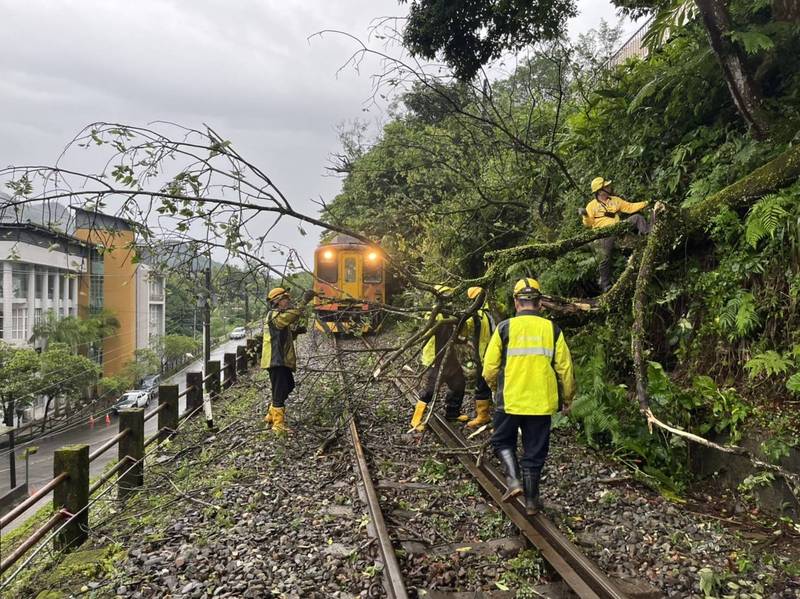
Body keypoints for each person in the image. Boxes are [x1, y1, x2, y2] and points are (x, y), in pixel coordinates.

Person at [482, 278, 575, 515]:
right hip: (541, 403)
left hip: (510, 400)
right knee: (535, 452)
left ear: (516, 302)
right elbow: (565, 369)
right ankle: (532, 501)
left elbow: (489, 368)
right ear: (540, 303)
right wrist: (567, 398)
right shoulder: (552, 330)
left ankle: (513, 481)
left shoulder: (504, 328)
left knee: (502, 441)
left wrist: (494, 388)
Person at [410, 285, 467, 431]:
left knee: (459, 384)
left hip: (450, 358)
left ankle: (453, 414)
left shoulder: (450, 314)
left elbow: (457, 336)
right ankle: (416, 420)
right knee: (430, 390)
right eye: (447, 295)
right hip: (436, 359)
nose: (450, 299)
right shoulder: (435, 314)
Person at [581, 177, 650, 292]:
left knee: (637, 218)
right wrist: (585, 215)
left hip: (619, 228)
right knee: (605, 257)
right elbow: (588, 224)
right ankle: (605, 284)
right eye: (606, 186)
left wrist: (646, 203)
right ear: (600, 191)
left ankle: (648, 234)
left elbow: (629, 207)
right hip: (604, 233)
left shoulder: (615, 200)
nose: (609, 187)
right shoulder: (591, 206)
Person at [261, 286, 316, 433]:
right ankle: (278, 425)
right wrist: (304, 301)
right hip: (275, 360)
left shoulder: (276, 315)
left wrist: (295, 332)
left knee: (289, 385)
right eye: (286, 299)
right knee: (279, 390)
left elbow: (281, 335)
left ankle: (271, 415)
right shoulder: (274, 315)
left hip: (279, 360)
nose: (288, 301)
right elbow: (291, 316)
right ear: (278, 301)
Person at [463, 286, 495, 428]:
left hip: (485, 356)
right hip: (503, 356)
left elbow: (463, 331)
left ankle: (483, 416)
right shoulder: (496, 309)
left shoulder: (476, 316)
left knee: (481, 385)